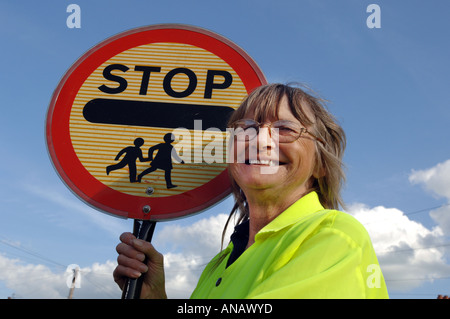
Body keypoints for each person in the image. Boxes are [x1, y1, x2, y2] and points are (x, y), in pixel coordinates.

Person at [113, 83, 389, 299]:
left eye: (286, 129)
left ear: (320, 164)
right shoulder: (220, 262)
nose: (261, 140)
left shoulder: (333, 235)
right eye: (246, 128)